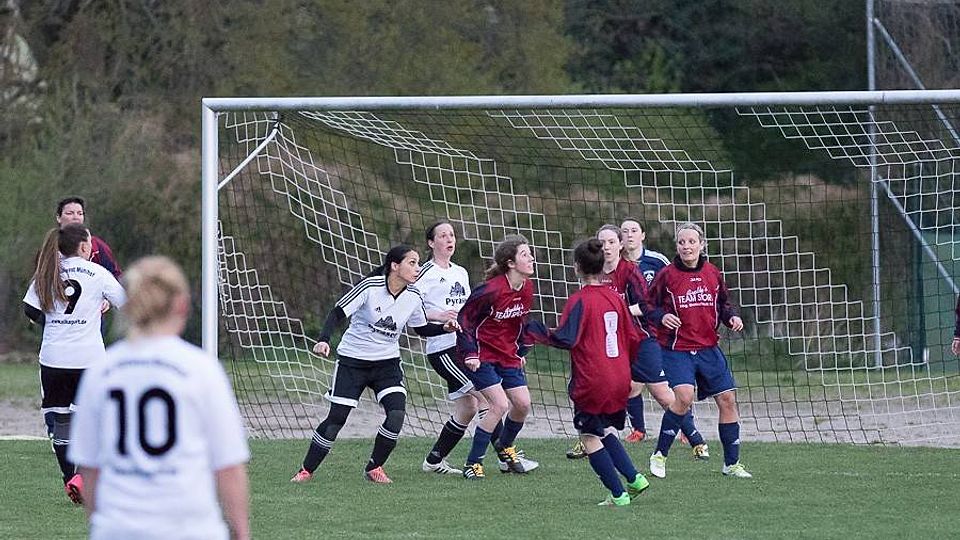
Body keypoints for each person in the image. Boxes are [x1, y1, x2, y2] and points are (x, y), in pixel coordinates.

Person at [68, 256, 250, 540]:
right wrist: (241, 532)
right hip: (190, 529)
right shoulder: (201, 368)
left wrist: (103, 526)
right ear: (182, 305)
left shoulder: (101, 371)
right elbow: (229, 467)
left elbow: (90, 470)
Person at [291, 245, 458, 484]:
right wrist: (324, 339)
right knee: (337, 419)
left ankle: (374, 467)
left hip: (387, 364)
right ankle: (306, 470)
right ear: (394, 266)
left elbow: (421, 328)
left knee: (396, 414)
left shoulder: (414, 295)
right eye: (412, 263)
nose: (418, 268)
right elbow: (337, 312)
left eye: (418, 263)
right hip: (352, 362)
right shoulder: (370, 287)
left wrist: (444, 328)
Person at [527, 238, 650, 506]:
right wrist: (629, 370)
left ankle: (618, 495)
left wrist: (535, 331)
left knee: (589, 436)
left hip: (593, 378)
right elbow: (633, 337)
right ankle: (635, 478)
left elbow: (567, 338)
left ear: (577, 268)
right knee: (604, 429)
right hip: (619, 375)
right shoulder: (616, 298)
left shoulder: (579, 300)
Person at [417, 221, 537, 475]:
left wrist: (512, 350)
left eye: (452, 235)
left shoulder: (460, 272)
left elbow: (474, 314)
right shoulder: (425, 273)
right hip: (444, 348)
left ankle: (434, 461)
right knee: (489, 401)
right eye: (442, 235)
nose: (449, 239)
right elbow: (410, 309)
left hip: (467, 343)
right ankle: (504, 458)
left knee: (468, 408)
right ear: (431, 242)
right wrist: (439, 316)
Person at [22, 224, 126, 504]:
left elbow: (30, 308)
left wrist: (56, 324)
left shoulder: (48, 272)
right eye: (90, 243)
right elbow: (125, 303)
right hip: (88, 359)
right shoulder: (98, 273)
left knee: (62, 421)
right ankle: (81, 477)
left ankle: (70, 478)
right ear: (83, 247)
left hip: (54, 358)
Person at [646, 222, 752, 478]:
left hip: (708, 348)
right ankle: (659, 454)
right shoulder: (667, 275)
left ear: (702, 245)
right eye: (682, 242)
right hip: (677, 348)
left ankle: (731, 464)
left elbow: (724, 304)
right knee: (684, 398)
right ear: (677, 247)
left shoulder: (713, 273)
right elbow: (647, 305)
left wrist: (732, 317)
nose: (687, 247)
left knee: (728, 400)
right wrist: (661, 316)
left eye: (692, 241)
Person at [457, 234, 537, 480]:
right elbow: (464, 320)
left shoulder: (527, 287)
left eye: (530, 254)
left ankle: (506, 448)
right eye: (524, 255)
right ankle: (472, 464)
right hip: (482, 355)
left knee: (522, 404)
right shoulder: (490, 290)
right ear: (510, 263)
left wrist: (520, 351)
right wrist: (470, 353)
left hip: (507, 354)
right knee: (499, 405)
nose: (531, 258)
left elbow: (519, 322)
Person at [618, 218, 670, 443]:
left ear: (643, 235)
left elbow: (672, 289)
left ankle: (687, 429)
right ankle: (639, 430)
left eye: (634, 230)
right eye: (625, 231)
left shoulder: (657, 261)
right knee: (630, 385)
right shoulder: (614, 264)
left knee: (661, 390)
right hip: (627, 333)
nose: (629, 234)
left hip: (655, 333)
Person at [56, 196, 122, 279]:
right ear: (58, 218)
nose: (76, 217)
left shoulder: (97, 246)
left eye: (80, 213)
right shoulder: (51, 246)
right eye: (70, 213)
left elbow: (116, 275)